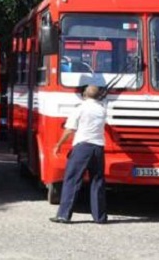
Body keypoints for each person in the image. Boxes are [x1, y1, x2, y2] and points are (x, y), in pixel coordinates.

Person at [50, 85, 118, 224]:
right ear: (98, 96)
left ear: (84, 95)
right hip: (98, 148)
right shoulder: (101, 109)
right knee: (97, 182)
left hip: (83, 147)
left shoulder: (80, 109)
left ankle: (64, 215)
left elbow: (69, 130)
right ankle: (99, 217)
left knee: (72, 180)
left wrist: (59, 144)